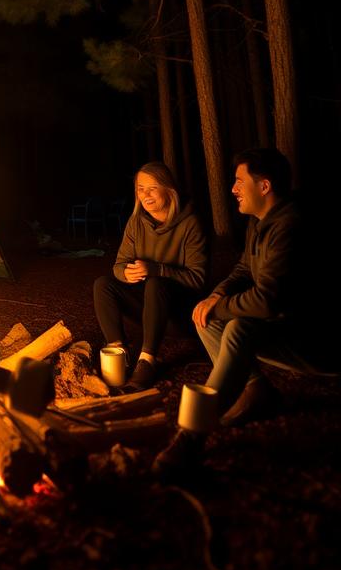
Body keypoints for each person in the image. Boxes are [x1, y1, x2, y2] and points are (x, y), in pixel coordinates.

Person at [154, 147, 326, 480]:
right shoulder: (259, 223)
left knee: (237, 329)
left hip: (313, 339)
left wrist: (219, 306)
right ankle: (256, 390)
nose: (232, 189)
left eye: (238, 181)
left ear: (264, 186)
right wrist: (217, 295)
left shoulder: (290, 226)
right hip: (281, 325)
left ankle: (191, 435)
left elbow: (267, 301)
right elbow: (245, 268)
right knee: (205, 317)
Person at [93, 161, 208, 390]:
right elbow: (118, 265)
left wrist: (157, 269)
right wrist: (126, 273)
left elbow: (198, 279)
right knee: (103, 284)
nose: (145, 194)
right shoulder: (137, 222)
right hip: (148, 312)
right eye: (140, 188)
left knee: (156, 284)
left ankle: (147, 361)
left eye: (152, 187)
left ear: (169, 189)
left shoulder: (191, 224)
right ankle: (118, 354)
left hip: (181, 316)